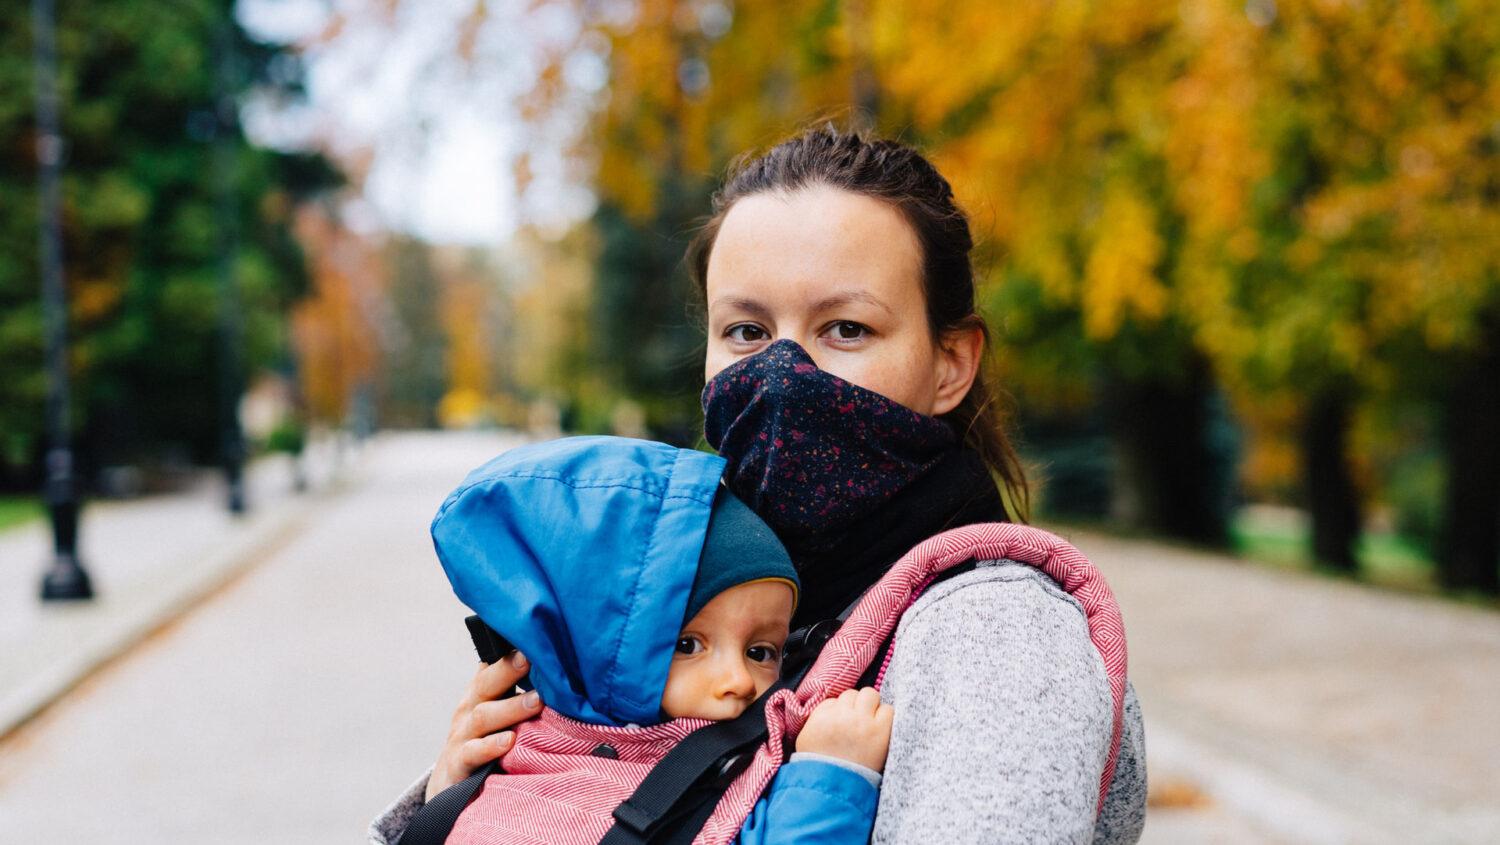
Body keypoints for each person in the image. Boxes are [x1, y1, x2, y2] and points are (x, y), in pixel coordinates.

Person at [375, 125, 1147, 844]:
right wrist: (469, 797)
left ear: (951, 363)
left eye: (846, 328)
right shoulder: (694, 585)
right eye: (746, 331)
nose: (782, 375)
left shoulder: (994, 635)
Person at [396, 435, 893, 844]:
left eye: (761, 652)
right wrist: (831, 779)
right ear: (593, 651)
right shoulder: (522, 801)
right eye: (687, 645)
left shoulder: (739, 752)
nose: (739, 680)